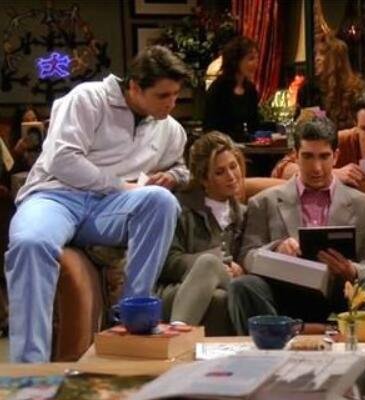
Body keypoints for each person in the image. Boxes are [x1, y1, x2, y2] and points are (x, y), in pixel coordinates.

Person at [6, 45, 191, 362]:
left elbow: (181, 167)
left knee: (161, 201)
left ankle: (132, 317)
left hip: (109, 210)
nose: (171, 103)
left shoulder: (170, 129)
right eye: (163, 95)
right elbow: (63, 159)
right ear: (135, 87)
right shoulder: (88, 99)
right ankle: (29, 366)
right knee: (30, 243)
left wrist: (174, 176)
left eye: (175, 94)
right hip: (55, 196)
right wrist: (119, 185)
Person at [228, 115, 365, 334]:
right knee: (242, 286)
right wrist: (276, 249)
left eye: (324, 157)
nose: (317, 167)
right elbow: (246, 256)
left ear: (336, 156)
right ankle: (274, 340)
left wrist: (351, 270)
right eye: (308, 156)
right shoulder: (263, 202)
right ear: (296, 156)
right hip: (284, 290)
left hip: (342, 292)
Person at [156, 132, 246, 327]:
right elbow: (167, 262)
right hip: (182, 287)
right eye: (220, 172)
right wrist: (211, 260)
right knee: (210, 267)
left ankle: (177, 335)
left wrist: (238, 268)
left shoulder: (245, 214)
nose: (232, 177)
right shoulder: (179, 209)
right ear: (204, 179)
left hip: (233, 284)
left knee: (225, 294)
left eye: (233, 166)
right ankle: (179, 333)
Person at [297, 35, 365, 130]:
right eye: (315, 54)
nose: (316, 59)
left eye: (322, 54)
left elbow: (360, 128)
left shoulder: (355, 90)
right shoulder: (311, 91)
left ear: (337, 59)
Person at [204, 36, 260, 142]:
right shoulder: (218, 89)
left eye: (257, 58)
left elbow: (254, 125)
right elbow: (210, 130)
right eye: (251, 58)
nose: (256, 64)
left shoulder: (250, 89)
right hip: (222, 146)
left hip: (247, 146)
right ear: (236, 61)